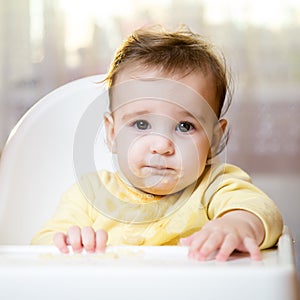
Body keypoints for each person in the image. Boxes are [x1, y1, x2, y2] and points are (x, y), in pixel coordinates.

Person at [32, 25, 283, 261]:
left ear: (215, 139)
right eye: (141, 124)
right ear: (112, 133)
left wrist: (235, 225)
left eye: (185, 126)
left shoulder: (214, 186)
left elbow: (262, 211)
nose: (161, 146)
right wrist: (68, 243)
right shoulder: (91, 194)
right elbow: (40, 247)